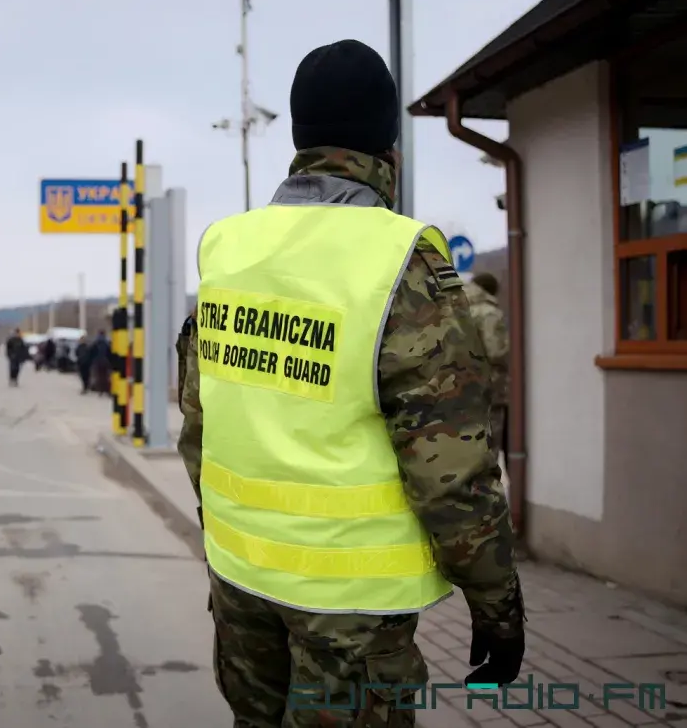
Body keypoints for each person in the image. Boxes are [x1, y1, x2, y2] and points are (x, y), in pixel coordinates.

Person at [175, 39, 524, 727]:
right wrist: (496, 604)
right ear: (386, 147)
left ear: (299, 139)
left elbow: (198, 424)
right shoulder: (396, 260)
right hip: (351, 608)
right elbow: (450, 471)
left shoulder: (227, 247)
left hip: (240, 582)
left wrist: (235, 532)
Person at [465, 272, 510, 461]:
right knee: (488, 449)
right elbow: (497, 352)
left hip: (458, 389)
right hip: (488, 389)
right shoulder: (488, 313)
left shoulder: (454, 308)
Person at [89, 330, 112, 396]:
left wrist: (92, 361)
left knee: (99, 377)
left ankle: (101, 391)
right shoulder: (107, 343)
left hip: (97, 362)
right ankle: (107, 391)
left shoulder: (96, 343)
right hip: (106, 362)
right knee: (106, 377)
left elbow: (91, 352)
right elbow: (110, 353)